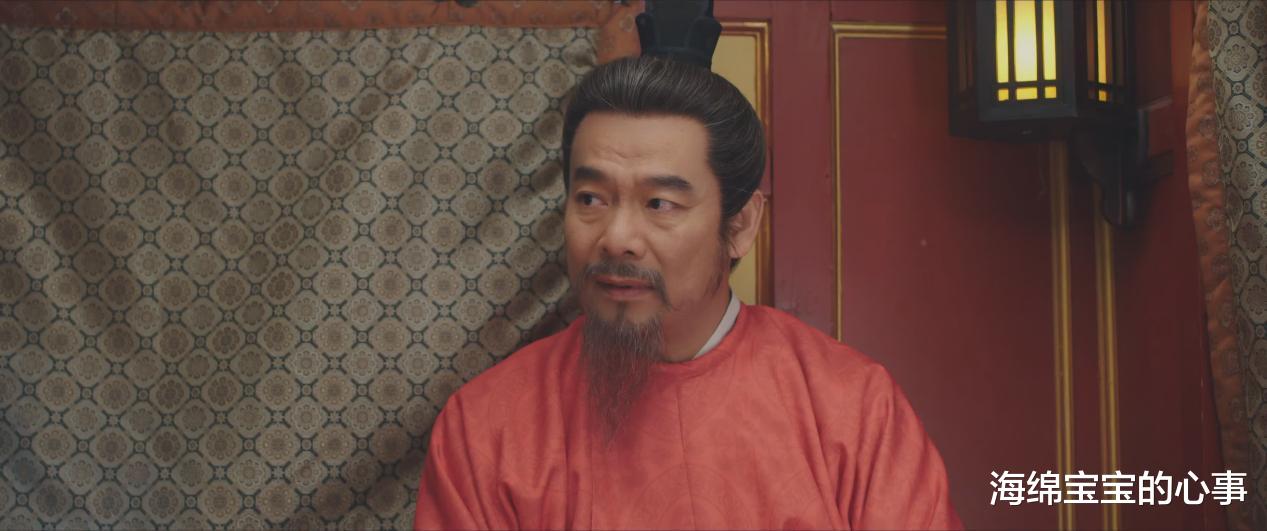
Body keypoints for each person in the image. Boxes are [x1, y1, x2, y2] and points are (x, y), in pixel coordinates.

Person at [414, 55, 962, 530]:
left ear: (740, 225)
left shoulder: (852, 409)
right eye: (591, 199)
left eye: (660, 204)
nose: (617, 238)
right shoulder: (487, 426)